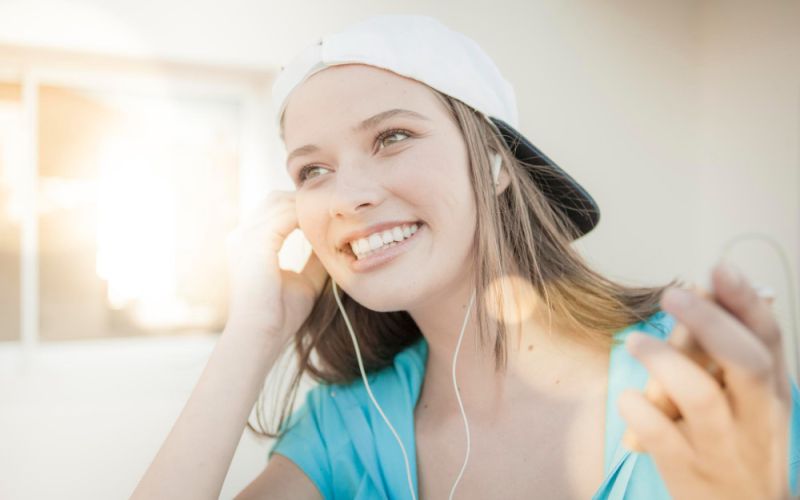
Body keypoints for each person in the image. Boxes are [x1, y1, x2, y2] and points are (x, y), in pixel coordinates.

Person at [131, 15, 800, 500]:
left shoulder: (695, 386)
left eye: (392, 136)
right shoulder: (348, 431)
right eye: (312, 171)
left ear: (495, 162)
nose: (349, 197)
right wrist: (253, 333)